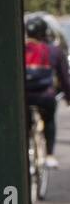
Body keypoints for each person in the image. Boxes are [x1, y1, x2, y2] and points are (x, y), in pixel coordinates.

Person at [24, 15, 70, 168]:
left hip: (24, 97)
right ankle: (49, 155)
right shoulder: (54, 51)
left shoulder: (20, 49)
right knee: (49, 119)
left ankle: (24, 150)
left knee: (23, 122)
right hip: (45, 96)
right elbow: (64, 78)